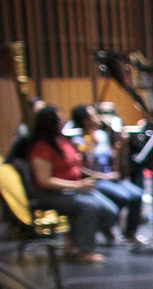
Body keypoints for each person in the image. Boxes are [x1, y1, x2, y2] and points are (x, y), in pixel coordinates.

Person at [25, 104, 119, 264]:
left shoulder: (61, 141)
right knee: (89, 207)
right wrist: (78, 186)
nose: (63, 123)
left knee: (110, 211)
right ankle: (84, 251)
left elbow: (77, 166)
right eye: (59, 120)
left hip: (73, 187)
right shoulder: (41, 148)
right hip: (50, 193)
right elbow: (44, 181)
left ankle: (73, 237)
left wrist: (94, 177)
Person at [70, 104, 144, 243]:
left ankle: (130, 232)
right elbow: (82, 170)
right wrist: (104, 175)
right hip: (96, 180)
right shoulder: (78, 141)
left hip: (109, 177)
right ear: (85, 121)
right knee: (123, 198)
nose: (98, 118)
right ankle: (106, 226)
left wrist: (120, 145)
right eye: (94, 115)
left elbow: (110, 159)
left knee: (137, 194)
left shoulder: (102, 135)